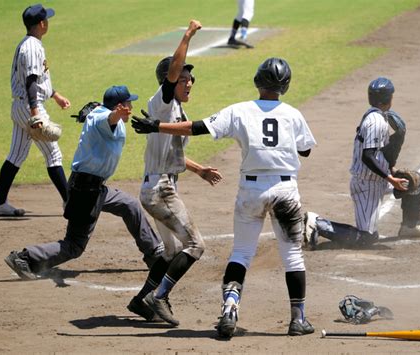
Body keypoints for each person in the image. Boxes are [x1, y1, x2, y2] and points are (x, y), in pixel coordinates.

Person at [132, 57, 317, 338]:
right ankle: (298, 320)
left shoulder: (240, 110)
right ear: (286, 85)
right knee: (292, 257)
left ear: (258, 81)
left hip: (251, 191)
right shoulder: (293, 114)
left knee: (241, 254)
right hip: (285, 192)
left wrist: (157, 126)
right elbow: (305, 150)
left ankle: (229, 309)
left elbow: (197, 127)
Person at [4, 85, 164, 280]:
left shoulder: (99, 111)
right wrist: (115, 115)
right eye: (129, 103)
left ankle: (155, 254)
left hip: (96, 188)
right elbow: (107, 119)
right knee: (74, 245)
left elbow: (99, 113)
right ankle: (25, 258)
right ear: (120, 106)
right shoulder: (104, 118)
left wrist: (107, 113)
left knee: (129, 205)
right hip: (85, 190)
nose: (131, 107)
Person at [125, 20, 223, 327]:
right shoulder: (163, 104)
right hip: (160, 191)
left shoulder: (176, 111)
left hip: (156, 187)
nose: (189, 82)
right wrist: (188, 35)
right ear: (170, 82)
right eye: (184, 79)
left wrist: (199, 169)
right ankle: (160, 296)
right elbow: (171, 74)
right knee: (196, 246)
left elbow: (173, 152)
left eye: (191, 79)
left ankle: (141, 300)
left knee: (170, 252)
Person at [302, 77, 420, 250]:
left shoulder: (378, 116)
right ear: (389, 98)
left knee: (414, 181)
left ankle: (409, 226)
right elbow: (368, 156)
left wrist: (392, 171)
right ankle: (318, 224)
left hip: (377, 179)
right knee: (367, 238)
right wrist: (391, 179)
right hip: (367, 185)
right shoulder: (375, 121)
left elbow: (378, 152)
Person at [0, 4, 71, 216]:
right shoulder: (33, 47)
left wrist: (55, 95)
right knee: (53, 154)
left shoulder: (27, 43)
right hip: (29, 106)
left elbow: (37, 78)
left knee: (16, 154)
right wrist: (36, 112)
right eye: (47, 20)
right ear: (42, 24)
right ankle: (70, 203)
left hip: (20, 105)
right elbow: (31, 81)